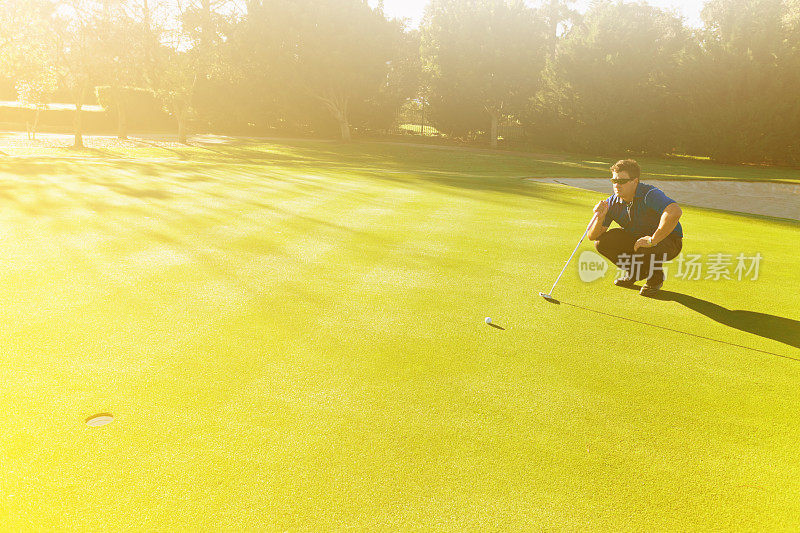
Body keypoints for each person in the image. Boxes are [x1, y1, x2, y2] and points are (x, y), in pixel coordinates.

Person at [588, 159, 683, 296]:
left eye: (621, 181)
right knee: (602, 242)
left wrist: (652, 240)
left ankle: (655, 279)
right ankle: (636, 273)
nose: (616, 185)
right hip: (638, 239)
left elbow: (675, 211)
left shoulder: (649, 194)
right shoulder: (612, 202)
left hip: (669, 241)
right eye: (614, 181)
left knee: (645, 246)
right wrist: (600, 217)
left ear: (635, 181)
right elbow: (593, 236)